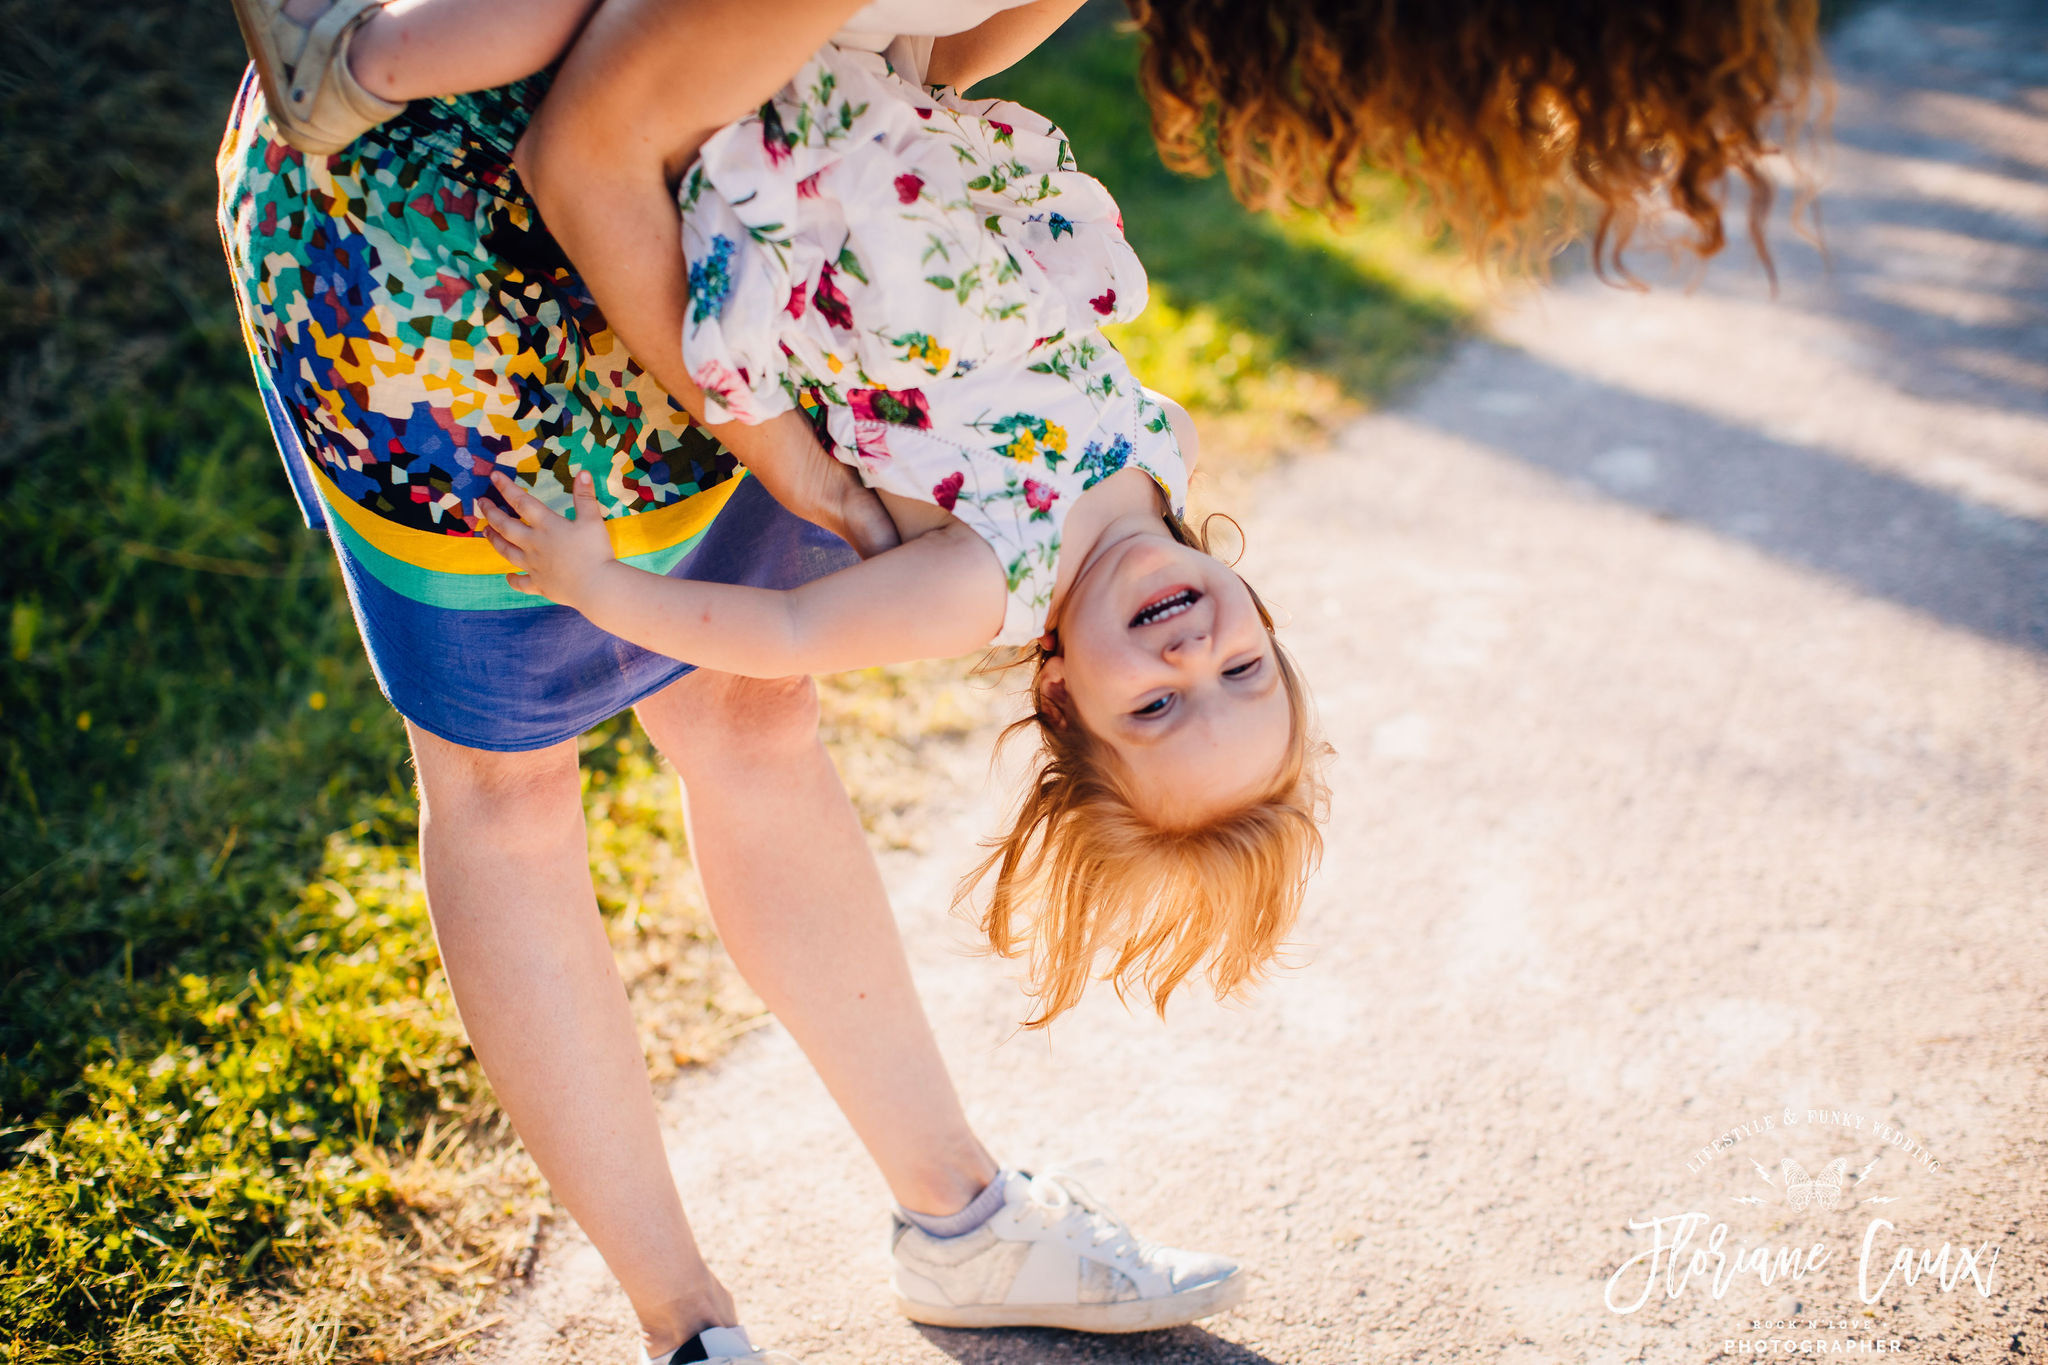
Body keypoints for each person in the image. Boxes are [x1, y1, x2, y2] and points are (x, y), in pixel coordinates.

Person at [219, 0, 1825, 1361]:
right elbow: (599, 142)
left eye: (1160, 706)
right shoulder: (1144, 467)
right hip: (470, 246)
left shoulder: (992, 565)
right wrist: (778, 440)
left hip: (716, 245)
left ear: (1057, 694)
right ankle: (687, 1317)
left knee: (751, 719)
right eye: (1239, 665)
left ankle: (955, 1225)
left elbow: (778, 636)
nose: (1194, 655)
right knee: (505, 792)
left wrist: (754, 478)